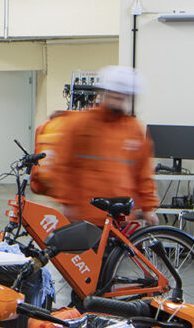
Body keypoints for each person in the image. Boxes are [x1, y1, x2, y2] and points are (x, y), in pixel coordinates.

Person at [40, 65, 156, 224]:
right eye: (114, 96)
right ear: (103, 93)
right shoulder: (80, 124)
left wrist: (148, 208)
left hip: (121, 218)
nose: (118, 101)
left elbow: (143, 173)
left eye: (122, 97)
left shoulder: (134, 129)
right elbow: (62, 166)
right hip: (85, 217)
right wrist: (67, 203)